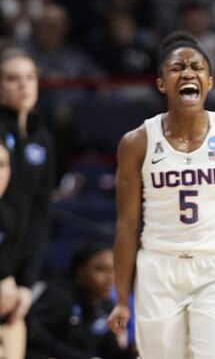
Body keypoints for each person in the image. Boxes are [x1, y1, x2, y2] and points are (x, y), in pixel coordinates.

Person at [106, 31, 215, 358]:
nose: (188, 72)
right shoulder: (137, 142)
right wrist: (121, 299)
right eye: (177, 68)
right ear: (162, 84)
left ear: (209, 82)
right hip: (159, 268)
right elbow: (125, 227)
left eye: (196, 67)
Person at [0, 47, 55, 358]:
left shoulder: (42, 138)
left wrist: (25, 282)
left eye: (29, 77)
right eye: (12, 79)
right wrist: (3, 273)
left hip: (14, 281)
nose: (23, 85)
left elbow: (40, 215)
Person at [26, 240, 134, 359]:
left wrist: (133, 350)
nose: (110, 278)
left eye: (114, 271)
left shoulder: (106, 307)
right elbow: (34, 336)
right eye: (101, 269)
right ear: (81, 270)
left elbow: (112, 353)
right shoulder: (58, 295)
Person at [0, 135, 25, 359]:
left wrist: (24, 287)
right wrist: (5, 275)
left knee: (16, 324)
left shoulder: (9, 215)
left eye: (2, 165)